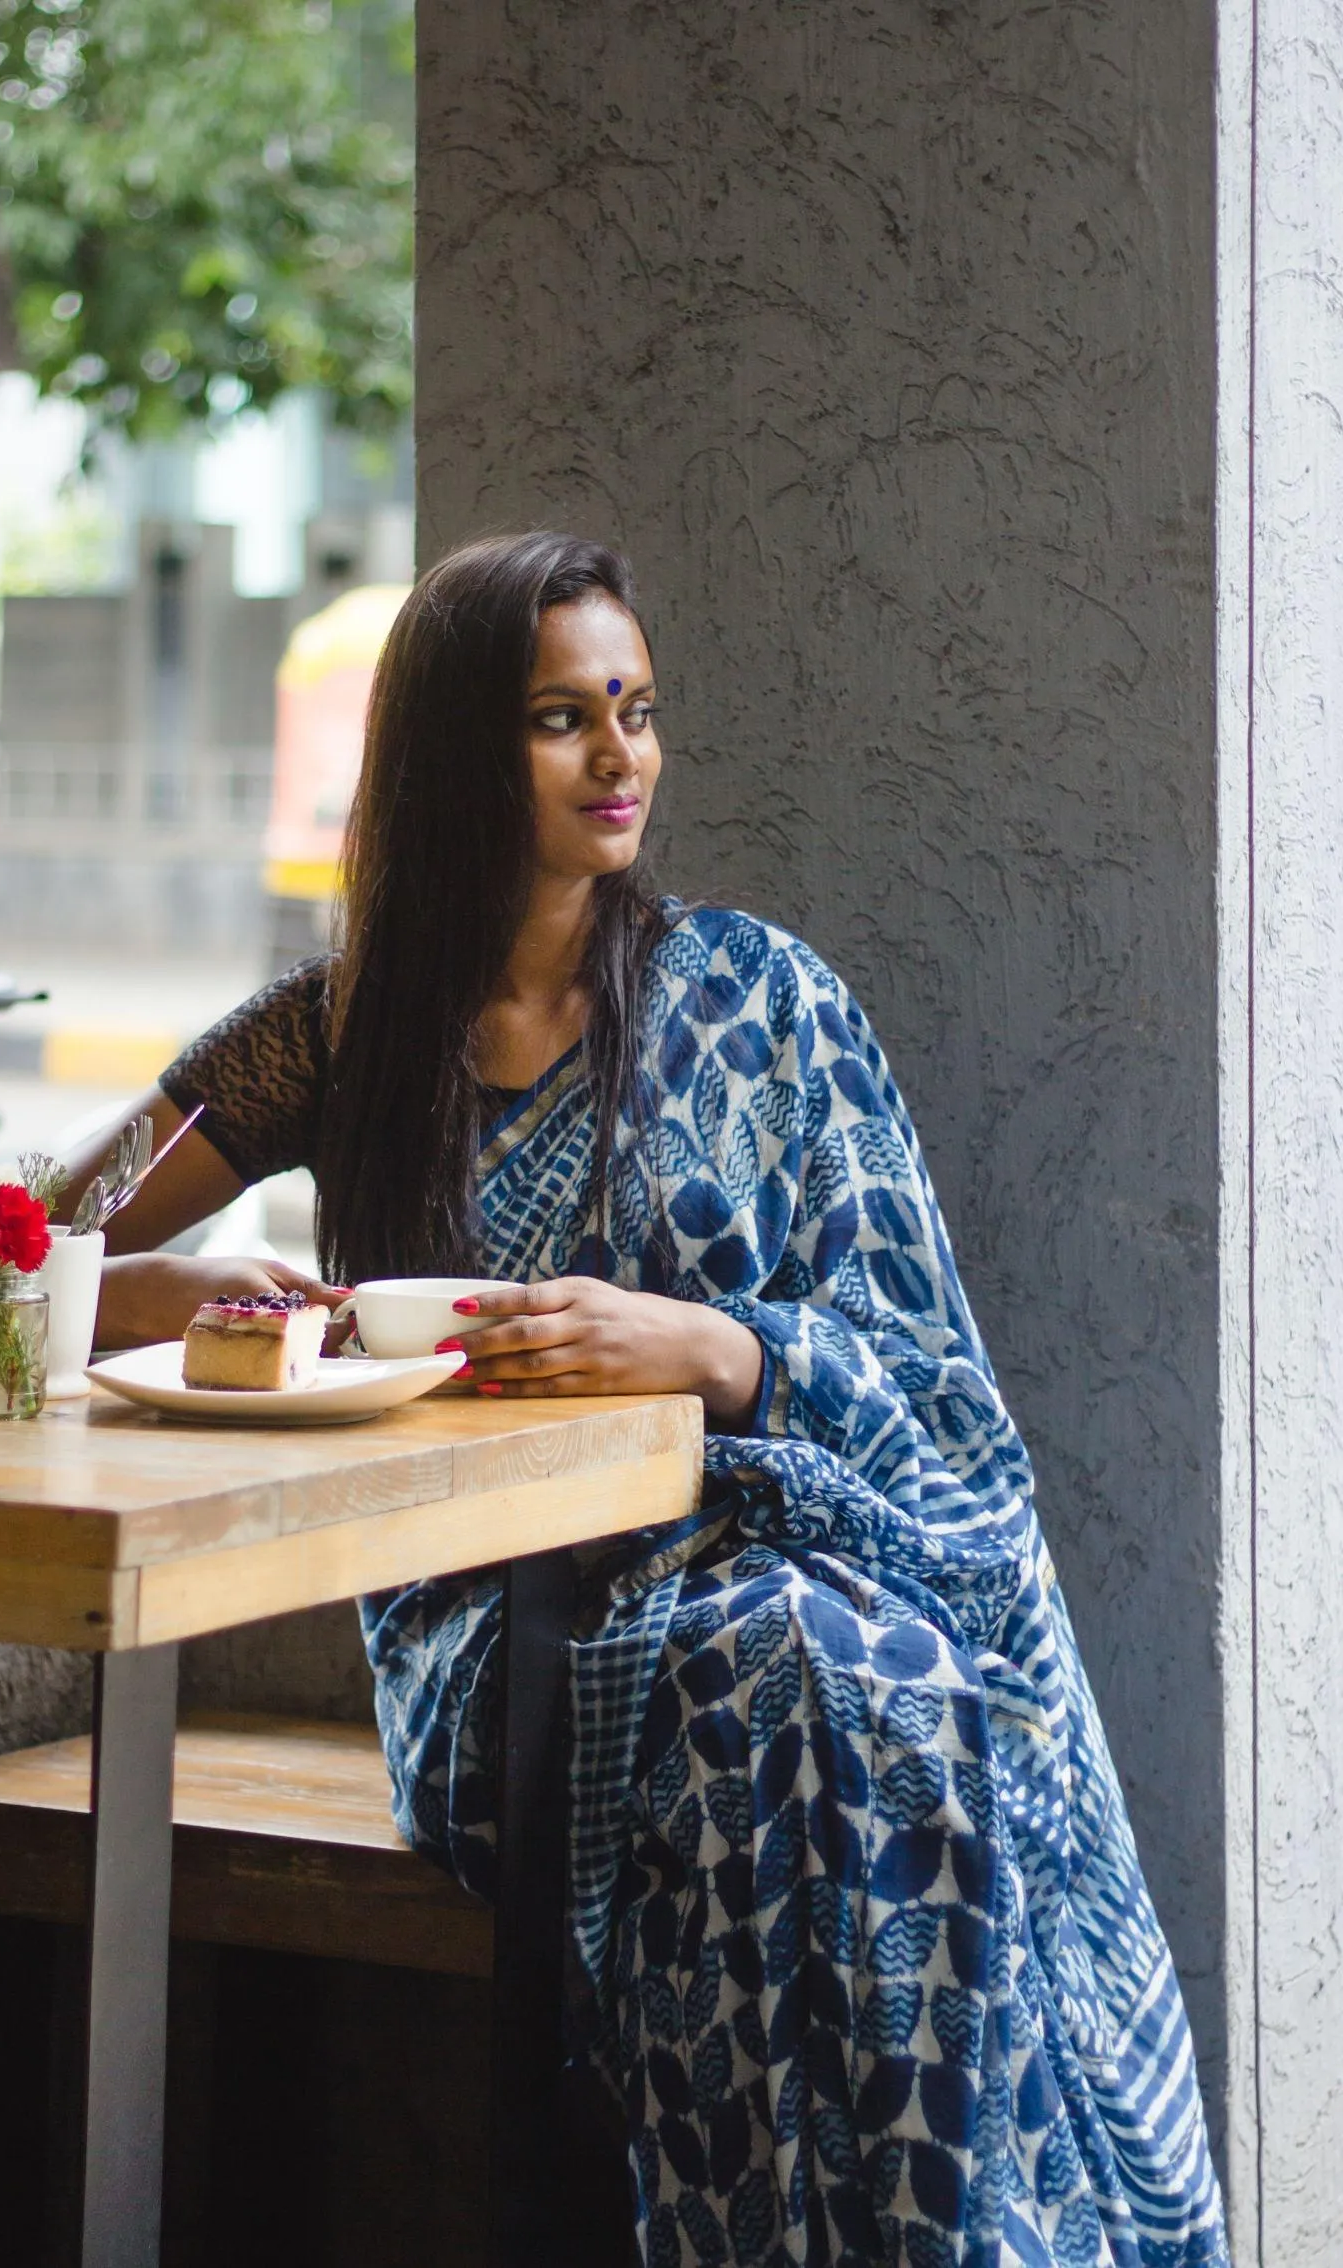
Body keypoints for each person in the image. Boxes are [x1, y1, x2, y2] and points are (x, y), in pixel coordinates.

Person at [66, 533, 1229, 2267]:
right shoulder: (343, 1030)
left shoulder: (767, 1002)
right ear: (462, 748)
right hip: (485, 1635)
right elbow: (18, 1252)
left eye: (637, 708)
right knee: (793, 1684)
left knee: (864, 1686)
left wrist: (710, 1348)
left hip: (793, 1563)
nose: (622, 758)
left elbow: (943, 1393)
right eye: (560, 718)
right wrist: (174, 1290)